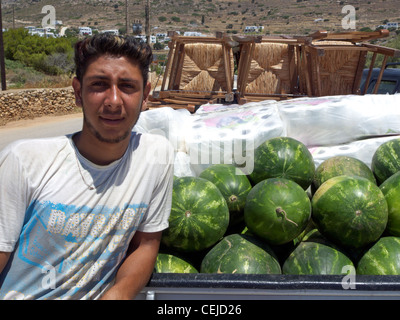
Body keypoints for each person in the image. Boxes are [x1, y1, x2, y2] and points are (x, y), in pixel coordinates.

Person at [0, 33, 174, 300]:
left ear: (146, 95)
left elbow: (147, 245)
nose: (114, 101)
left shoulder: (156, 156)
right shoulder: (24, 160)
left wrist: (116, 296)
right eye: (99, 84)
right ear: (78, 92)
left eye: (127, 86)